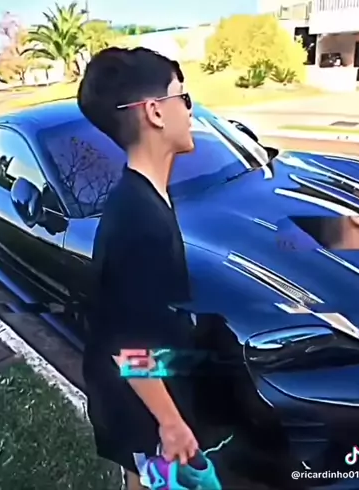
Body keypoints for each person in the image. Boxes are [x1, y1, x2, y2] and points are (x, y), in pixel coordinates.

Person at [77, 47, 218, 490]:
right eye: (183, 97)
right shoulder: (138, 219)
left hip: (137, 398)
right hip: (140, 409)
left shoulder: (141, 196)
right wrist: (171, 423)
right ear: (155, 112)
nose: (191, 111)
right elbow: (129, 347)